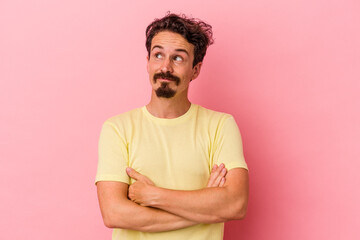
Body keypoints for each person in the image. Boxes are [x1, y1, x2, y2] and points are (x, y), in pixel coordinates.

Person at [95, 13, 249, 240]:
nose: (165, 67)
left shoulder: (220, 126)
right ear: (147, 63)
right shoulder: (117, 128)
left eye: (178, 58)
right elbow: (113, 213)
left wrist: (153, 195)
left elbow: (236, 204)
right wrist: (206, 207)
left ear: (195, 70)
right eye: (158, 55)